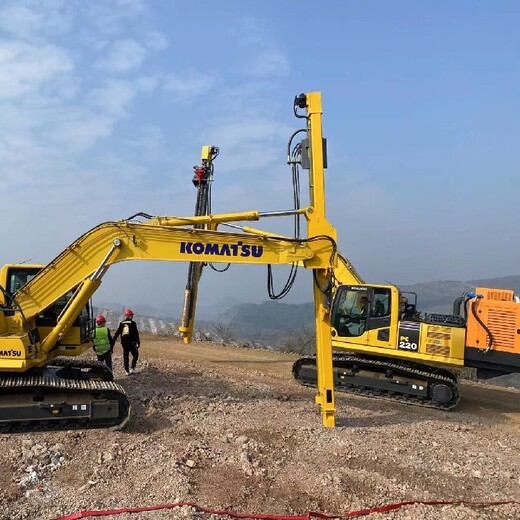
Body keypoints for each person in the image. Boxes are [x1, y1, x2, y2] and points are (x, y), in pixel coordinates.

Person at [112, 308, 141, 375]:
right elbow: (136, 333)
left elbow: (117, 333)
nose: (132, 316)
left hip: (124, 343)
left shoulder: (122, 323)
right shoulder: (133, 323)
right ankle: (132, 368)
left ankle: (126, 371)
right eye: (131, 315)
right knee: (135, 355)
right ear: (130, 316)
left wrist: (112, 342)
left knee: (125, 356)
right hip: (131, 342)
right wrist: (138, 342)